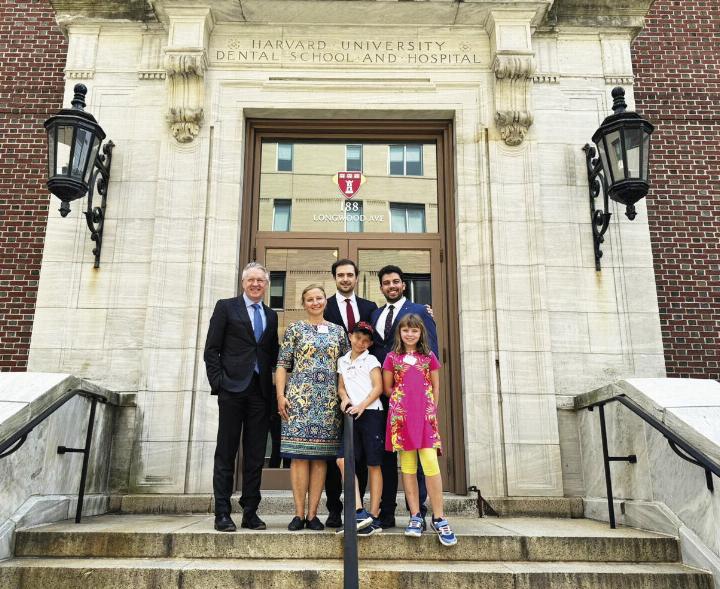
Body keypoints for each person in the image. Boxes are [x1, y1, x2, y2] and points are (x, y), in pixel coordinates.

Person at [204, 262, 279, 532]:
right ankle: (222, 512)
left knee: (256, 455)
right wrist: (219, 383)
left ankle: (250, 512)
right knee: (226, 452)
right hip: (232, 391)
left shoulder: (271, 316)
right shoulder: (226, 307)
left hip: (260, 393)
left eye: (261, 280)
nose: (256, 284)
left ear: (266, 284)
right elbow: (211, 350)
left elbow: (271, 353)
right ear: (243, 282)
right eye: (251, 280)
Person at [276, 284, 349, 531]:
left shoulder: (339, 332)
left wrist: (345, 396)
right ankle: (298, 514)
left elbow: (347, 366)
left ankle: (313, 514)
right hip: (298, 400)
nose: (315, 302)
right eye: (310, 299)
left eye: (319, 298)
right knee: (298, 458)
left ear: (325, 301)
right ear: (303, 303)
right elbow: (282, 364)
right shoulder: (295, 329)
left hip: (328, 402)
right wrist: (280, 396)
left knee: (320, 459)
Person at [370, 264, 438, 529]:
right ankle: (386, 512)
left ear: (403, 285)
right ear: (381, 287)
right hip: (382, 393)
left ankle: (418, 511)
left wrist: (430, 401)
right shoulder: (375, 313)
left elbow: (431, 352)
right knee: (386, 453)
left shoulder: (419, 311)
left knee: (420, 453)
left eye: (396, 282)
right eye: (386, 283)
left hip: (414, 399)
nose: (392, 286)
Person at [383, 313, 457, 546]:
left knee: (430, 465)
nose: (410, 334)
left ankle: (439, 517)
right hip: (402, 418)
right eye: (406, 330)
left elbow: (435, 387)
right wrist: (401, 406)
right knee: (408, 468)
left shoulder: (429, 357)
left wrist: (430, 410)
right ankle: (415, 515)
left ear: (420, 333)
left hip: (425, 419)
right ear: (400, 332)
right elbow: (388, 388)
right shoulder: (391, 358)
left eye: (414, 330)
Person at [322, 258, 378, 528]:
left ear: (356, 277)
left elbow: (381, 341)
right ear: (334, 278)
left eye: (350, 275)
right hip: (334, 389)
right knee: (338, 454)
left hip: (364, 394)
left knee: (362, 457)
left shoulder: (369, 307)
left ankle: (359, 507)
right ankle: (335, 509)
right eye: (340, 275)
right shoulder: (326, 305)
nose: (345, 279)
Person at [336, 321, 384, 536]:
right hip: (351, 414)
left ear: (370, 343)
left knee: (373, 463)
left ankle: (374, 514)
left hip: (371, 412)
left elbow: (378, 387)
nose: (360, 342)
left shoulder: (371, 359)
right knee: (343, 460)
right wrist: (344, 399)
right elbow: (341, 387)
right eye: (357, 338)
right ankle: (358, 510)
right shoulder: (343, 360)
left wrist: (363, 405)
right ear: (350, 336)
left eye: (366, 340)